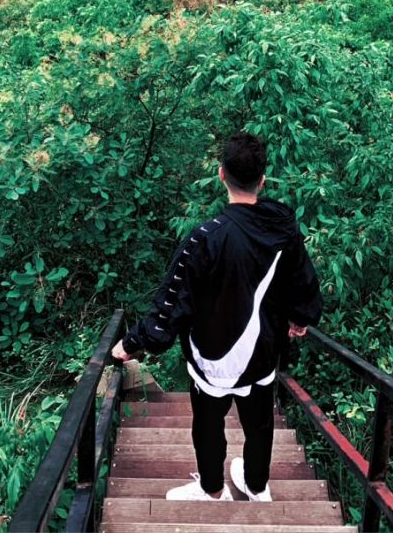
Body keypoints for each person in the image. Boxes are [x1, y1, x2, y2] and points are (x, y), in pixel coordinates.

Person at [111, 131, 323, 503]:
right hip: (261, 355)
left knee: (208, 425)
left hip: (211, 356)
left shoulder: (205, 238)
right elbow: (303, 280)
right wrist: (300, 318)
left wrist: (130, 345)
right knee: (259, 425)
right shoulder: (282, 230)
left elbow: (172, 305)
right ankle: (256, 486)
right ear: (263, 180)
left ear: (221, 174)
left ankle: (212, 489)